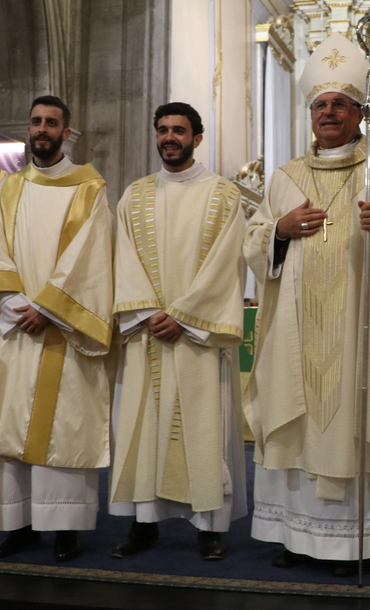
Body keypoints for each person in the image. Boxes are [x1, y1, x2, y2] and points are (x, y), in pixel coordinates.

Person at [243, 33, 370, 576]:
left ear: (359, 113)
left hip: (362, 335)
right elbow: (254, 243)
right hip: (295, 335)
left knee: (357, 421)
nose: (329, 112)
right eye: (320, 104)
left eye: (340, 104)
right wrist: (278, 231)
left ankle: (365, 541)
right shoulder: (285, 179)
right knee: (299, 424)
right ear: (311, 114)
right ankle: (294, 534)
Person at [0, 96, 114, 562]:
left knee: (65, 427)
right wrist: (13, 304)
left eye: (52, 123)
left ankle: (65, 527)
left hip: (63, 330)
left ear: (67, 132)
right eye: (36, 122)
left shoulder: (90, 188)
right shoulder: (9, 189)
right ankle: (18, 523)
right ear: (29, 129)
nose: (42, 129)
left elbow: (91, 257)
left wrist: (49, 308)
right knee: (12, 425)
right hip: (17, 326)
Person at [108, 102, 247, 560]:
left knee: (204, 429)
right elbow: (121, 257)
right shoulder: (136, 194)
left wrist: (184, 315)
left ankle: (209, 526)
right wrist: (148, 312)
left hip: (196, 338)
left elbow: (227, 263)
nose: (170, 138)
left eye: (179, 131)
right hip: (147, 333)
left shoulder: (224, 195)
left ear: (197, 138)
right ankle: (144, 524)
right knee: (143, 428)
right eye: (163, 130)